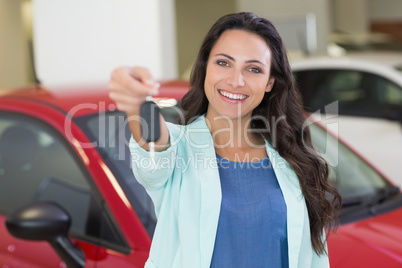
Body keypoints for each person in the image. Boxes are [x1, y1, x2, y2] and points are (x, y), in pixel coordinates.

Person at [108, 12, 341, 268]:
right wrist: (138, 103)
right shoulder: (178, 147)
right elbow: (154, 148)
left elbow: (315, 259)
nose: (235, 80)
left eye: (253, 69)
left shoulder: (293, 157)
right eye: (223, 63)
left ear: (269, 83)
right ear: (205, 67)